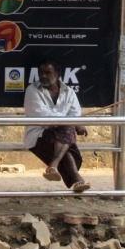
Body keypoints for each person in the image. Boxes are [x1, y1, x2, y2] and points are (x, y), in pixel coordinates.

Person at [23, 59, 91, 193]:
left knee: (65, 132)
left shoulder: (69, 92)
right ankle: (76, 178)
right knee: (67, 130)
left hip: (61, 137)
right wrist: (71, 122)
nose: (43, 76)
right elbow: (44, 117)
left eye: (48, 73)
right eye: (41, 73)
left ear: (57, 75)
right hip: (39, 135)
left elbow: (75, 113)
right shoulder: (32, 90)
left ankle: (54, 166)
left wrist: (74, 121)